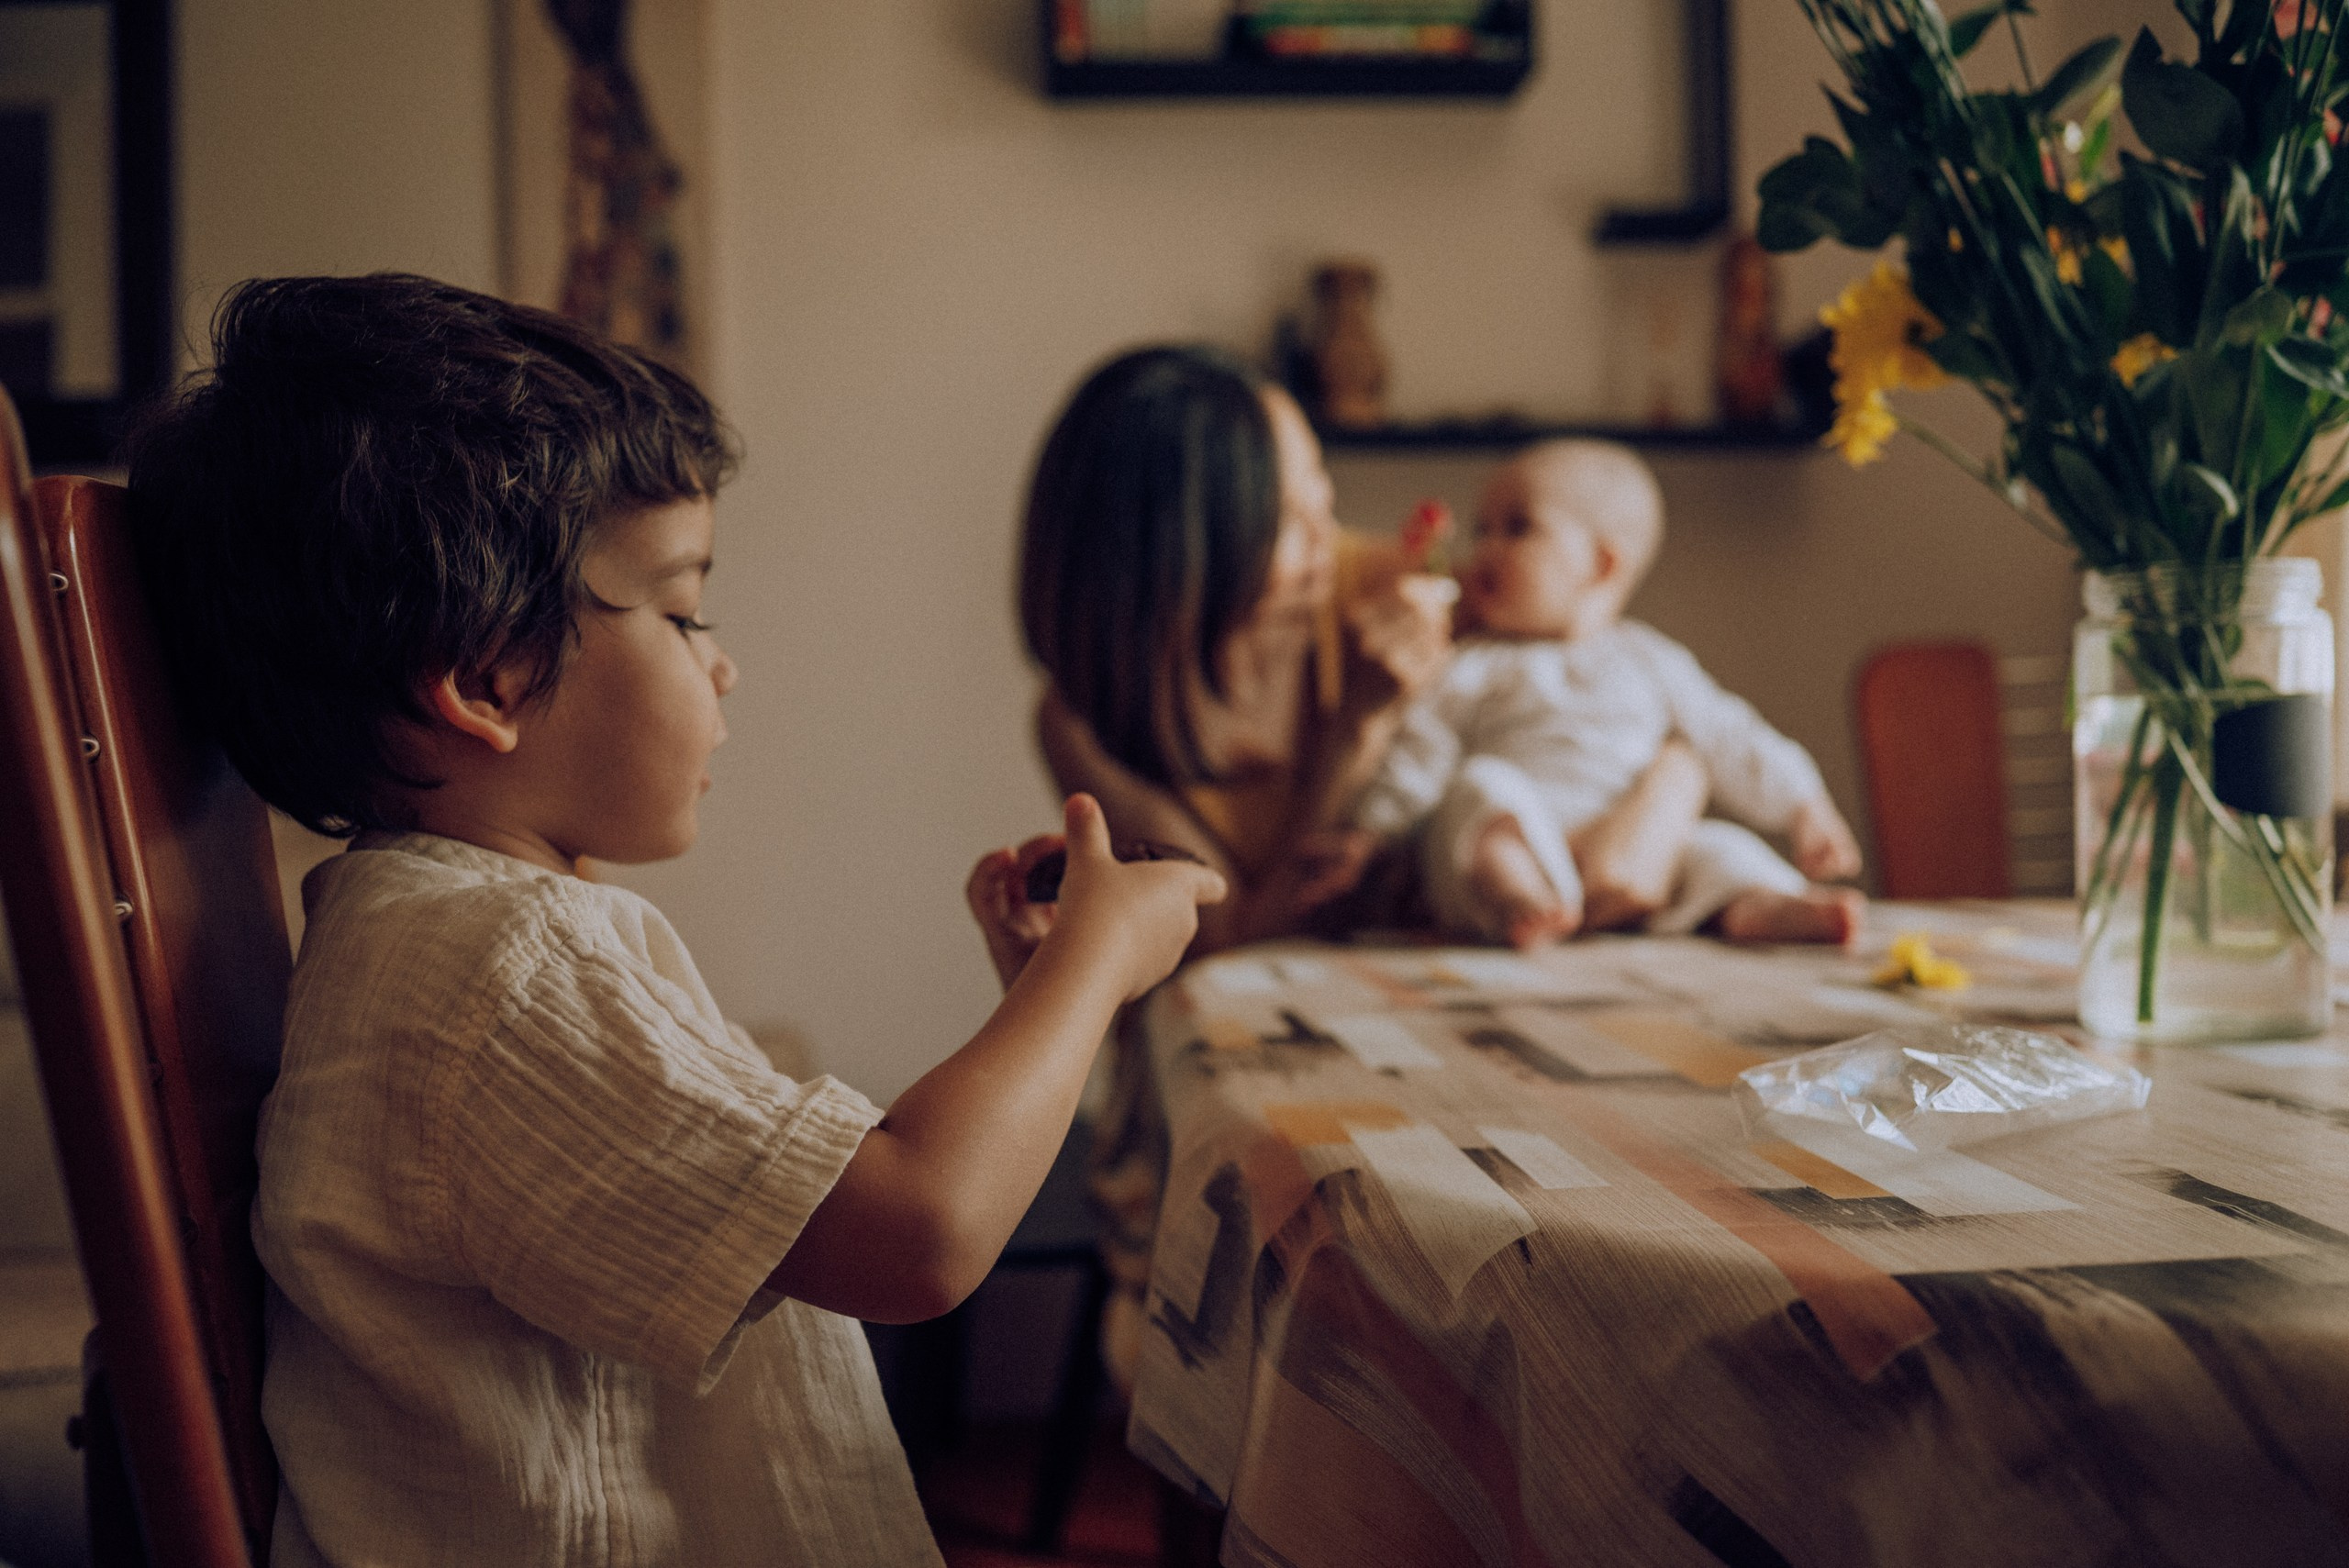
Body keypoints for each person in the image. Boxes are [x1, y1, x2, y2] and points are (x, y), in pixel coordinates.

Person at [126, 274, 1223, 1568]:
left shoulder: (447, 939)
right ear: (490, 674)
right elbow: (916, 1233)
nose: (722, 659)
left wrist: (1034, 1000)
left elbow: (807, 1187)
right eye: (683, 607)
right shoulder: (497, 974)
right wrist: (1093, 966)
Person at [1019, 346, 1710, 950]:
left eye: (1322, 491)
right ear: (1180, 555)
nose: (1331, 536)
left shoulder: (1392, 590)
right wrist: (1355, 726)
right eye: (1289, 520)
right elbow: (1230, 941)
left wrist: (1674, 786)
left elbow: (1615, 684)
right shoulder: (1088, 716)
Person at [1354, 439, 1865, 949]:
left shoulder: (1650, 660)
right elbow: (1421, 750)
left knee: (1719, 847)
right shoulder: (1475, 663)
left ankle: (1765, 907)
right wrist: (1371, 833)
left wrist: (1805, 806)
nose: (1487, 548)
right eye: (1482, 530)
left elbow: (1730, 733)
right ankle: (1518, 898)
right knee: (1478, 788)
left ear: (1601, 564)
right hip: (1522, 842)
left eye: (1518, 528)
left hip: (1641, 849)